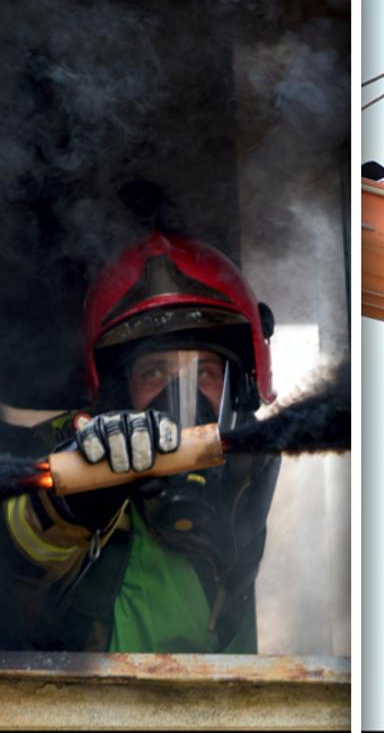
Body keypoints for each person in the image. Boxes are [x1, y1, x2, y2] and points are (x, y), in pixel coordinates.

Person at [1, 232, 280, 653]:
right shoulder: (68, 447)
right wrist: (70, 505)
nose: (179, 395)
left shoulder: (252, 474)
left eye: (204, 371)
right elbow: (12, 559)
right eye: (153, 373)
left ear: (239, 388)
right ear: (119, 394)